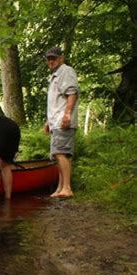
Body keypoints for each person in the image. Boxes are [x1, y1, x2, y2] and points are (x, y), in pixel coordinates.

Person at [43, 47, 79, 199]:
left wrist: (67, 114)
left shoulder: (66, 71)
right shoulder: (55, 76)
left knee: (61, 153)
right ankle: (60, 188)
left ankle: (67, 188)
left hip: (63, 121)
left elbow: (72, 94)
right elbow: (56, 102)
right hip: (56, 122)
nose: (51, 61)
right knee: (58, 155)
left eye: (54, 58)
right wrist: (48, 122)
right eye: (49, 58)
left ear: (61, 58)